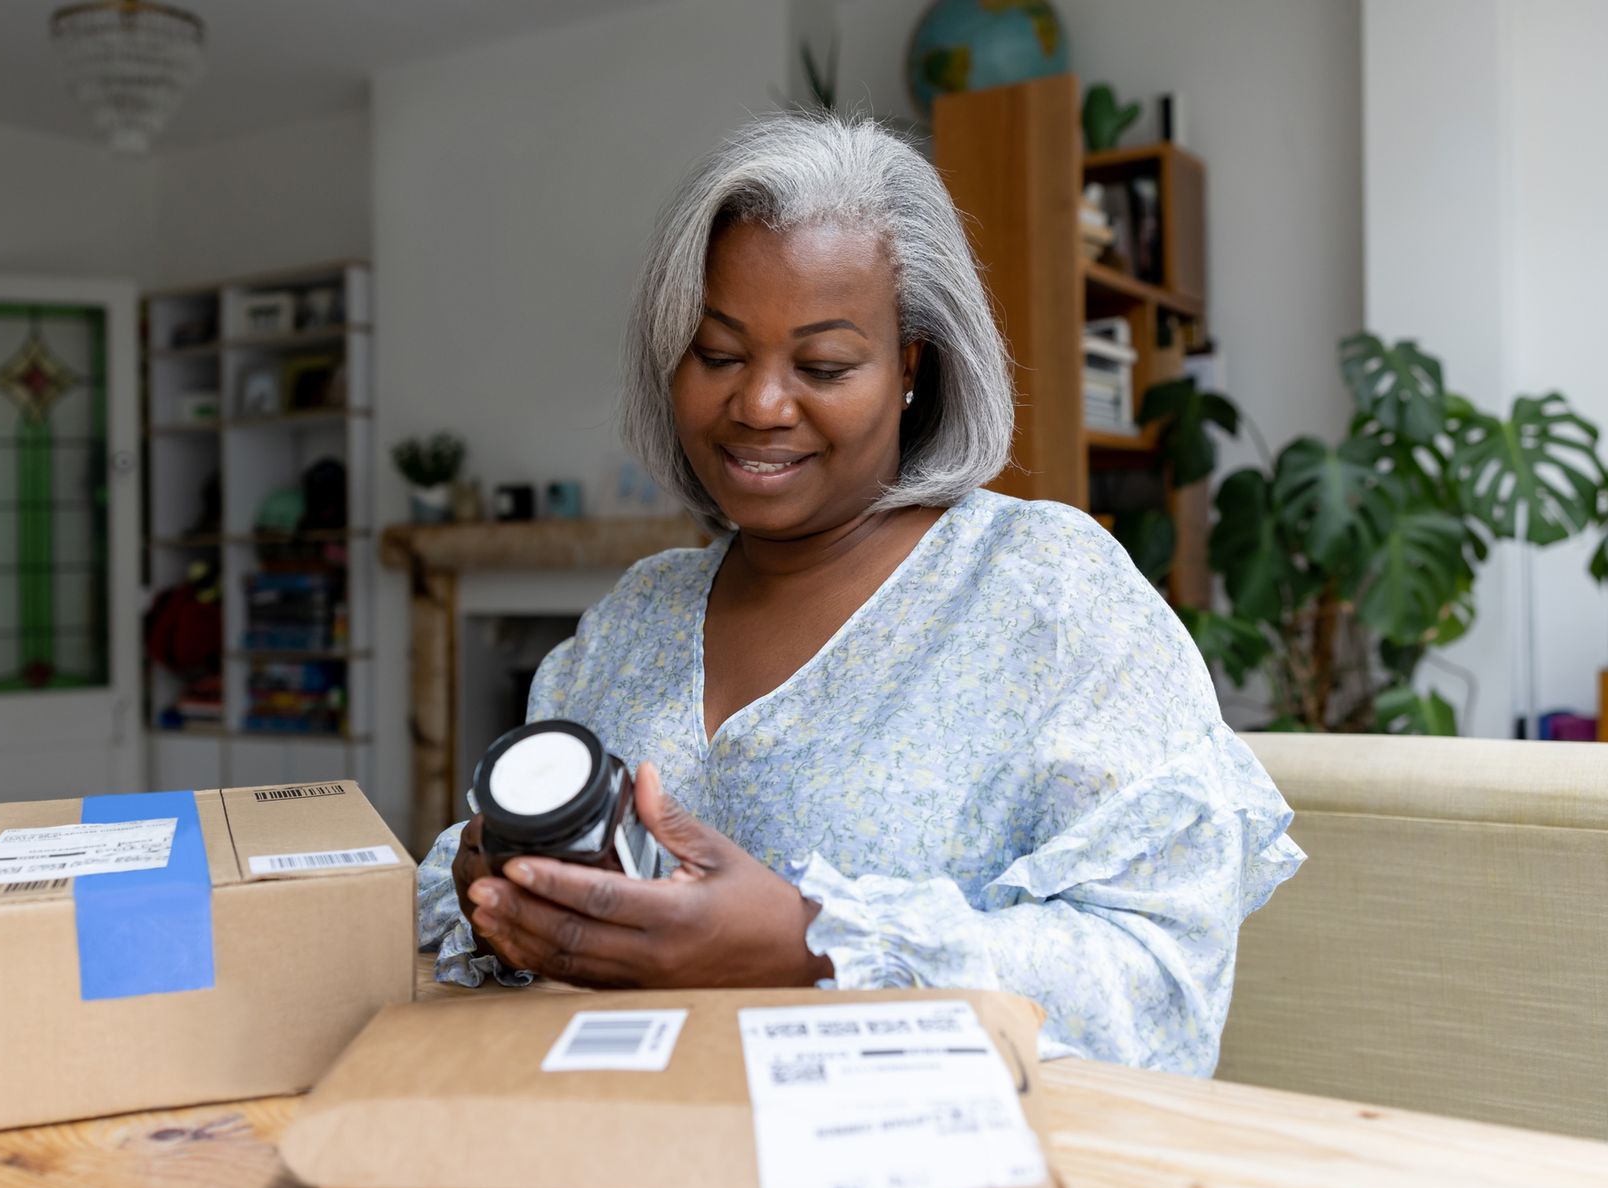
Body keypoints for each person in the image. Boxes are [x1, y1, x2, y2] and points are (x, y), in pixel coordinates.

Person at [415, 114, 1302, 1076]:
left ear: (912, 367)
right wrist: (494, 889)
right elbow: (451, 896)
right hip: (624, 1157)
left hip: (930, 1185)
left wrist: (809, 946)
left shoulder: (1048, 593)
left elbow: (1159, 984)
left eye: (825, 365)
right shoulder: (635, 618)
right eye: (717, 355)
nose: (759, 404)